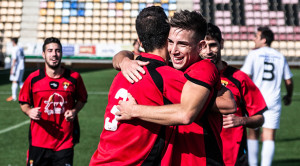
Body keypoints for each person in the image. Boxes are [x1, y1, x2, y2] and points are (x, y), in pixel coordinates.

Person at [112, 10, 236, 165]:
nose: (174, 51)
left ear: (201, 46)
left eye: (182, 44)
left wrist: (133, 111)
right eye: (170, 42)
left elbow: (188, 114)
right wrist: (124, 61)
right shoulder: (170, 66)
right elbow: (125, 55)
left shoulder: (203, 68)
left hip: (201, 159)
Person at [199, 23, 267, 166]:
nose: (208, 51)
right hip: (199, 154)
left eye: (212, 45)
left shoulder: (239, 78)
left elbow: (260, 118)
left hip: (233, 157)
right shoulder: (188, 76)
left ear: (221, 44)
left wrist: (241, 121)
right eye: (203, 46)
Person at [19, 37, 88, 166]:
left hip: (64, 142)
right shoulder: (33, 79)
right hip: (38, 142)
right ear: (43, 54)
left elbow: (82, 99)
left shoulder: (74, 78)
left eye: (57, 51)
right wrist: (29, 111)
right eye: (50, 50)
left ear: (61, 53)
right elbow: (23, 102)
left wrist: (74, 111)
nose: (54, 54)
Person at [241, 26, 294, 166]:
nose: (254, 39)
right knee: (269, 136)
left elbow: (245, 76)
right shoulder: (280, 56)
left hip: (255, 100)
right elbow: (288, 80)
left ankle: (252, 164)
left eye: (256, 36)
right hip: (274, 100)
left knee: (253, 133)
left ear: (263, 40)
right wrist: (288, 95)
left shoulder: (254, 54)